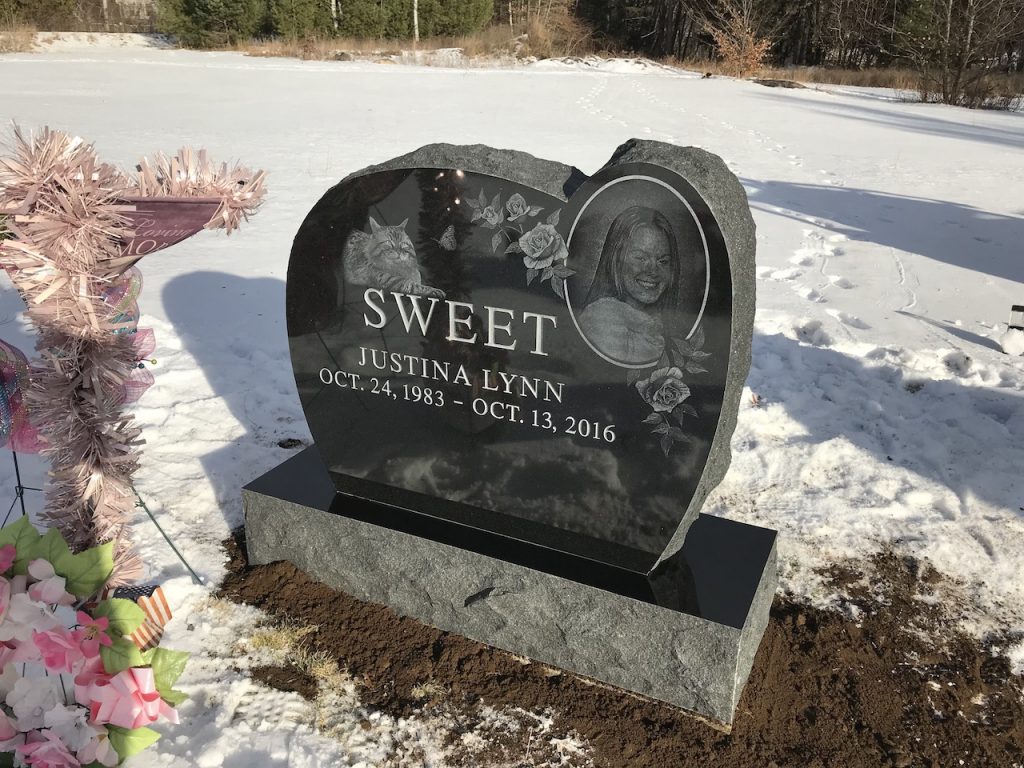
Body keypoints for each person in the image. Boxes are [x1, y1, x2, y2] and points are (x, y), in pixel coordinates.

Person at [577, 206, 685, 365]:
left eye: (663, 261)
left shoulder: (666, 326)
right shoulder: (602, 323)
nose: (652, 270)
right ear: (615, 259)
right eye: (640, 258)